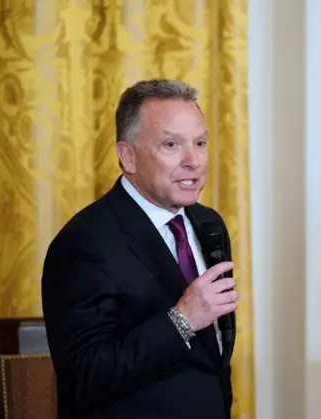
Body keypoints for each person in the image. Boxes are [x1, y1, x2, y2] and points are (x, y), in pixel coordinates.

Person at [41, 79, 239, 419]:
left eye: (201, 143)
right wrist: (181, 320)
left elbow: (212, 355)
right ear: (128, 156)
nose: (193, 161)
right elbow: (83, 377)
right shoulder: (85, 241)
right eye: (172, 145)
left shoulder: (208, 224)